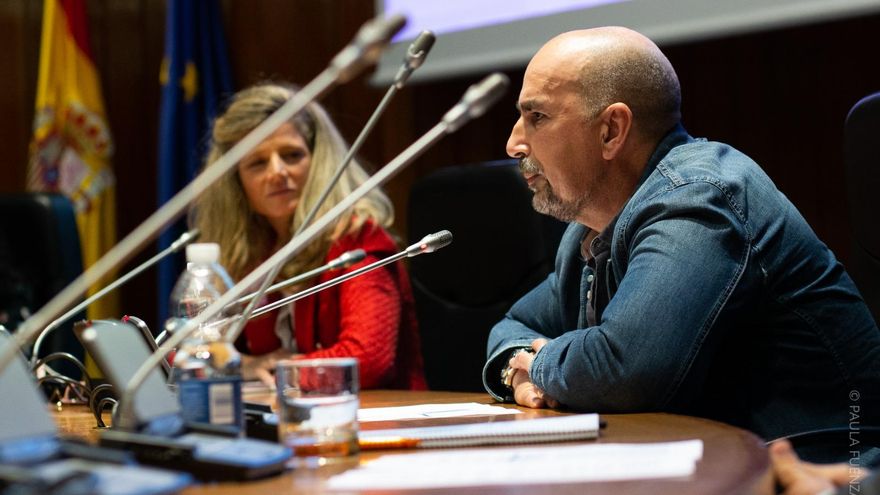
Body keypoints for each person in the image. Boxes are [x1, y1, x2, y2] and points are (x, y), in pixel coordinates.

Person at [482, 26, 880, 444]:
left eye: (537, 117)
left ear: (611, 131)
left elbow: (625, 370)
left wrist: (540, 363)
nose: (514, 143)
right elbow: (514, 325)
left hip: (832, 472)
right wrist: (517, 369)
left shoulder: (698, 199)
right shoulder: (589, 232)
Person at [192, 82, 426, 390]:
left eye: (291, 155)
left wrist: (280, 370)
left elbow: (366, 361)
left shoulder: (358, 239)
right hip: (288, 418)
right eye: (258, 163)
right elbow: (188, 353)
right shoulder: (251, 252)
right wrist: (246, 365)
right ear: (236, 184)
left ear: (317, 162)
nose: (277, 172)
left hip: (376, 422)